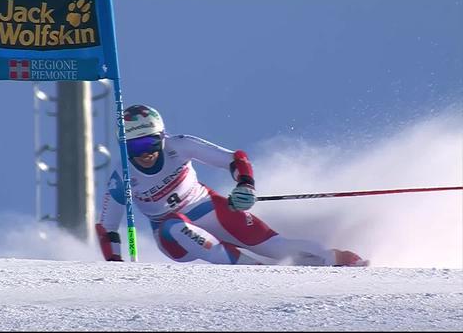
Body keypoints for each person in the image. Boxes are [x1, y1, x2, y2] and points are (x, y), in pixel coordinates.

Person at [95, 104, 368, 266]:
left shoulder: (180, 146)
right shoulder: (123, 177)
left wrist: (245, 186)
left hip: (210, 208)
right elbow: (106, 227)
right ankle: (251, 271)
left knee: (276, 247)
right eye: (134, 146)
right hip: (171, 235)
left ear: (162, 137)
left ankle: (342, 261)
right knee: (174, 223)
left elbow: (234, 160)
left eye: (149, 143)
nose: (144, 152)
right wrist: (116, 264)